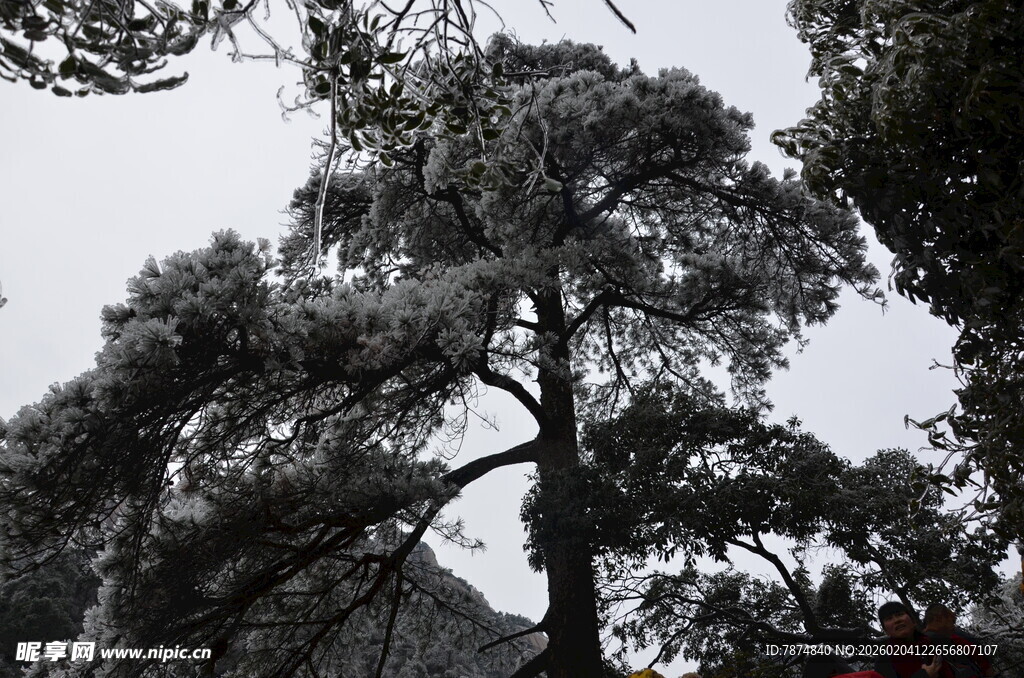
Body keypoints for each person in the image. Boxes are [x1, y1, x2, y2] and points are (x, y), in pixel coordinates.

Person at [873, 601, 953, 678]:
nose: (897, 620)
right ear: (886, 631)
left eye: (900, 614)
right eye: (889, 618)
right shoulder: (885, 660)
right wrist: (924, 675)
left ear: (913, 620)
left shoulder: (934, 644)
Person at [922, 603, 993, 678]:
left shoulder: (956, 638)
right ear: (938, 619)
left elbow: (982, 660)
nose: (953, 626)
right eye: (952, 621)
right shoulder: (923, 646)